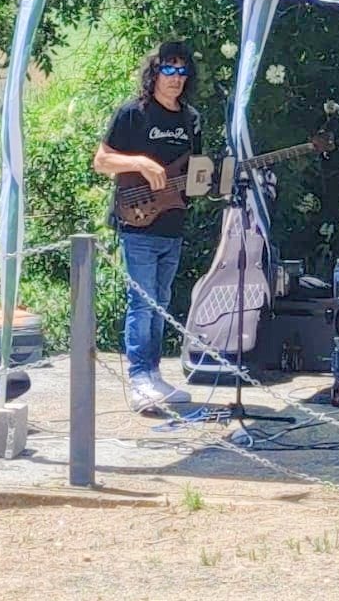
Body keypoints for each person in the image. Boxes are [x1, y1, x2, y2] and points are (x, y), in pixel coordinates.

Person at [92, 40, 204, 414]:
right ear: (154, 73)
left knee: (163, 302)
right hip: (137, 220)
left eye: (181, 70)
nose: (175, 78)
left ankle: (154, 374)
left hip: (173, 222)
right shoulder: (133, 113)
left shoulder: (191, 119)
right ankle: (139, 377)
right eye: (168, 70)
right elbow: (102, 160)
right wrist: (141, 162)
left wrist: (212, 183)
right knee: (143, 302)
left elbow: (195, 174)